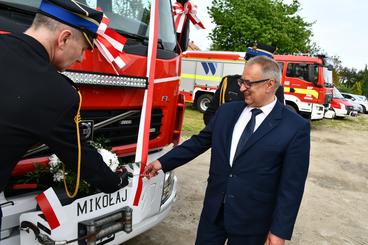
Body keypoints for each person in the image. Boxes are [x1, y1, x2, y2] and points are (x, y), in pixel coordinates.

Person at [144, 56, 310, 245]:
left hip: (254, 222)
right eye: (241, 81)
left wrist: (279, 231)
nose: (241, 88)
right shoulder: (227, 112)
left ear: (270, 85)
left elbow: (292, 186)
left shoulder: (295, 127)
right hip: (214, 213)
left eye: (248, 83)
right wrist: (162, 162)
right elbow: (199, 142)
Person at [0, 0, 130, 227]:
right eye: (83, 49)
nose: (81, 58)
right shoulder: (54, 92)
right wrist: (115, 181)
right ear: (64, 38)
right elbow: (80, 157)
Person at [203, 43, 285, 126]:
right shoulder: (229, 82)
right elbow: (210, 114)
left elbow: (278, 118)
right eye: (248, 62)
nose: (242, 88)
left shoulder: (275, 88)